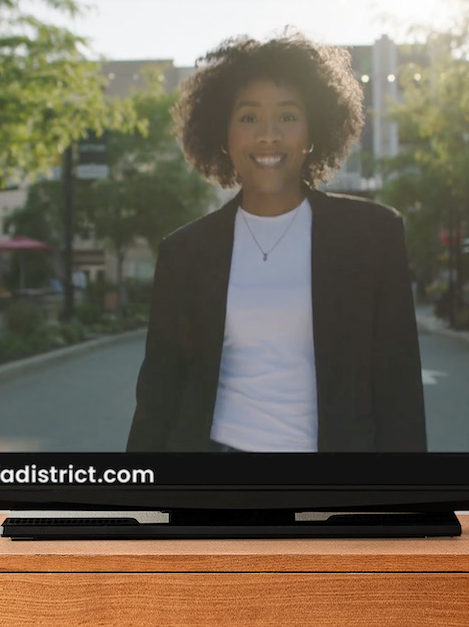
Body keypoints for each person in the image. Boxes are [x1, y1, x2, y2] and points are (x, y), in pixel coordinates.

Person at [126, 34, 427, 453]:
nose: (268, 135)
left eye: (287, 117)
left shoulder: (373, 235)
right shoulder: (185, 252)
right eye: (249, 118)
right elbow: (159, 395)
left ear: (313, 131)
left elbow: (400, 392)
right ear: (224, 134)